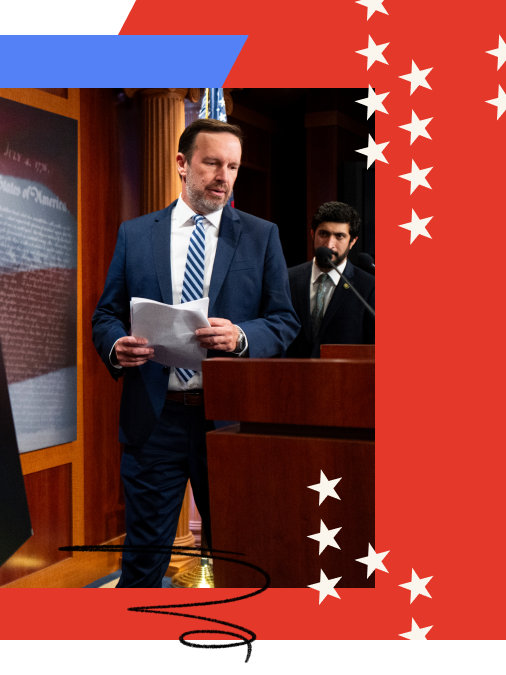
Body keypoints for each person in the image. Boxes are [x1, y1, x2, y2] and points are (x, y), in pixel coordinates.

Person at [91, 119, 300, 588]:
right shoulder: (136, 234)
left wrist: (242, 337)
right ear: (183, 164)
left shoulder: (262, 235)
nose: (223, 176)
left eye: (232, 166)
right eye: (212, 163)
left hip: (228, 422)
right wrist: (115, 346)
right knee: (143, 563)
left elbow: (284, 321)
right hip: (154, 420)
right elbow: (105, 315)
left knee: (239, 558)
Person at [286, 202, 375, 358]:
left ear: (352, 241)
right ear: (313, 234)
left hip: (343, 378)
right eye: (324, 234)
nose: (329, 245)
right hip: (292, 377)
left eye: (339, 236)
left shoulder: (368, 287)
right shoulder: (287, 278)